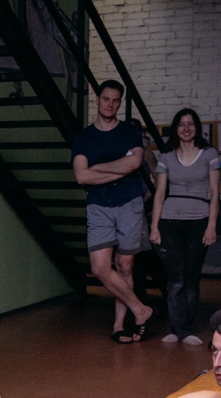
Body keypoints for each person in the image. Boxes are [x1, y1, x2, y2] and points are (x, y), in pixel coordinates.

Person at [72, 80, 157, 343]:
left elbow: (135, 163)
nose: (110, 104)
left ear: (120, 103)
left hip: (129, 201)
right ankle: (141, 310)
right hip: (98, 204)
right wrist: (120, 168)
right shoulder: (84, 137)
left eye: (115, 100)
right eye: (106, 99)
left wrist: (98, 169)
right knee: (100, 268)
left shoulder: (130, 132)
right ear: (98, 100)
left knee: (125, 265)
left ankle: (119, 325)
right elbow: (81, 176)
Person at [150, 108, 219, 345]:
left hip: (199, 221)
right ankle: (178, 328)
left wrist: (211, 226)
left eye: (190, 124)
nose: (186, 128)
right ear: (176, 129)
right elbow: (159, 194)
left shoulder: (210, 154)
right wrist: (154, 226)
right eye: (181, 124)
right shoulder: (166, 157)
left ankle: (185, 329)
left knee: (191, 277)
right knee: (176, 278)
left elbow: (215, 193)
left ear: (197, 127)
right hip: (169, 221)